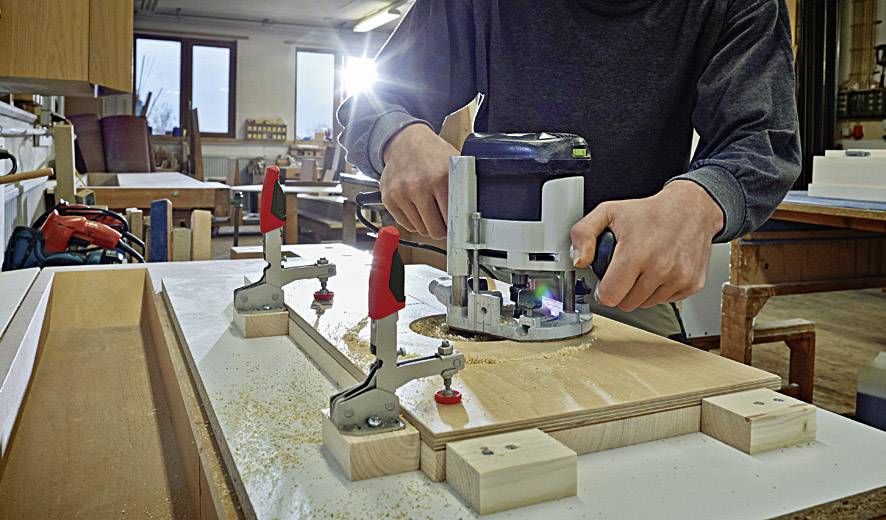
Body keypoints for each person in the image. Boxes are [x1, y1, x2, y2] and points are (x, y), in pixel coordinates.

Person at [337, 0, 801, 336]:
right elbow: (371, 103)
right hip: (496, 274)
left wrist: (700, 201)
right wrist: (399, 137)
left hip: (624, 277)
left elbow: (762, 140)